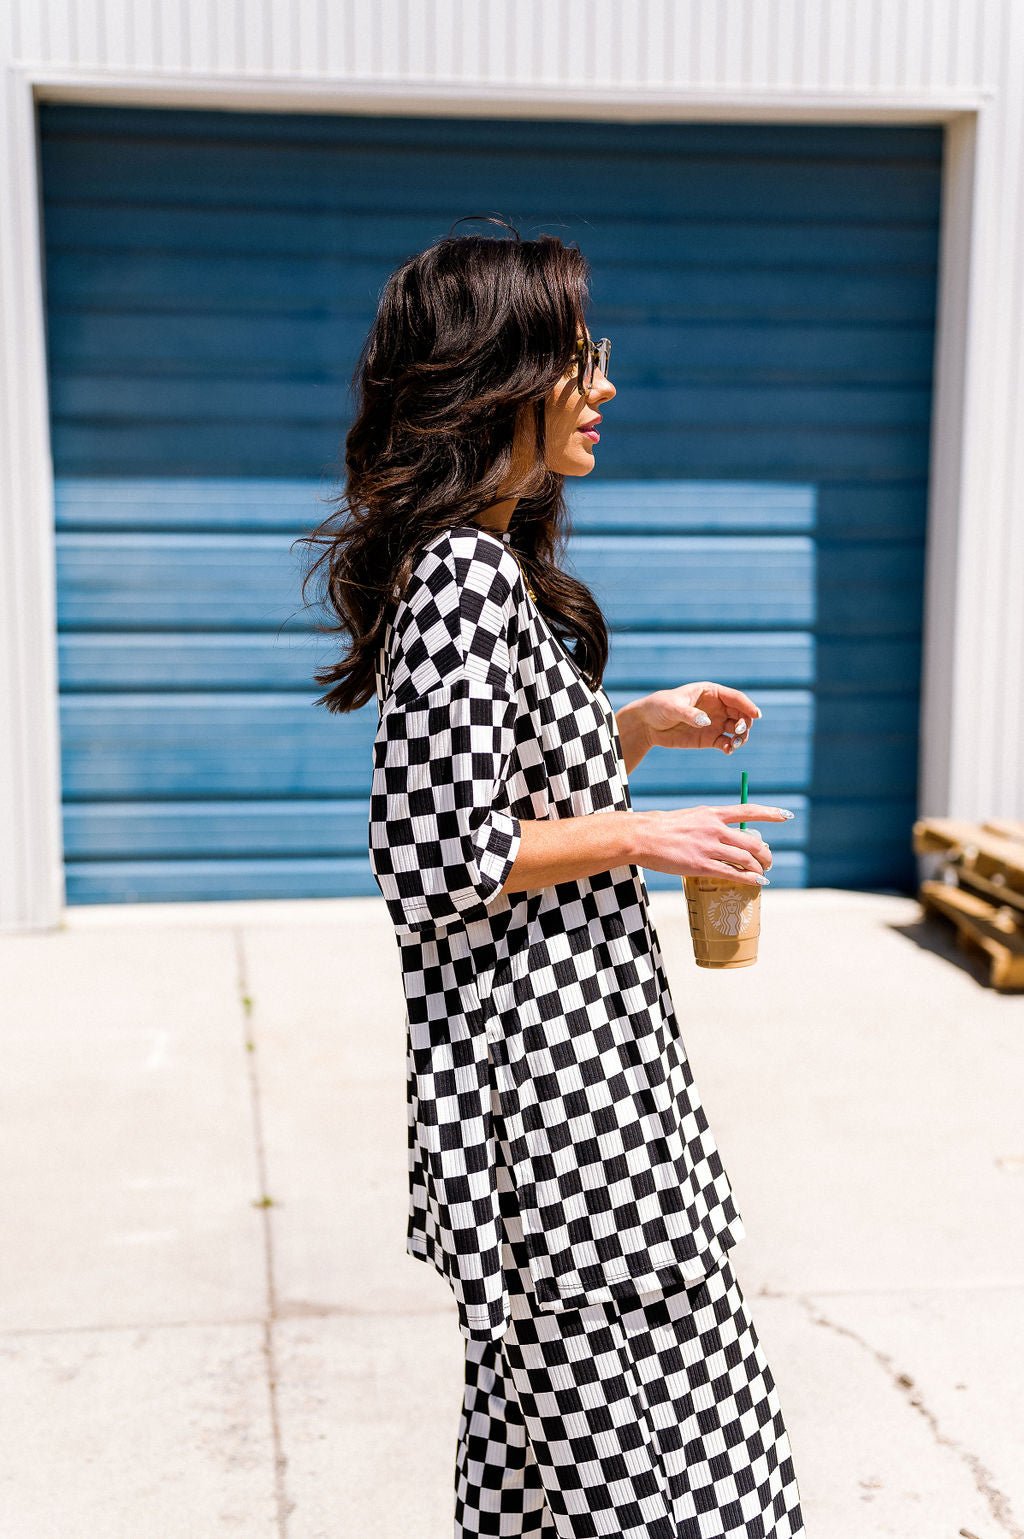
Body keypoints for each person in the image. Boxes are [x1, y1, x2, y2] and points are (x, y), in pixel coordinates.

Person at [300, 216, 806, 1538]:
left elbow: (503, 788)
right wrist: (652, 836)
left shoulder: (485, 570)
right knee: (650, 1473)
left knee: (560, 1468)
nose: (606, 384)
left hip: (572, 1109)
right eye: (582, 353)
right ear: (502, 371)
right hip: (559, 1126)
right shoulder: (465, 573)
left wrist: (634, 728)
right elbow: (433, 854)